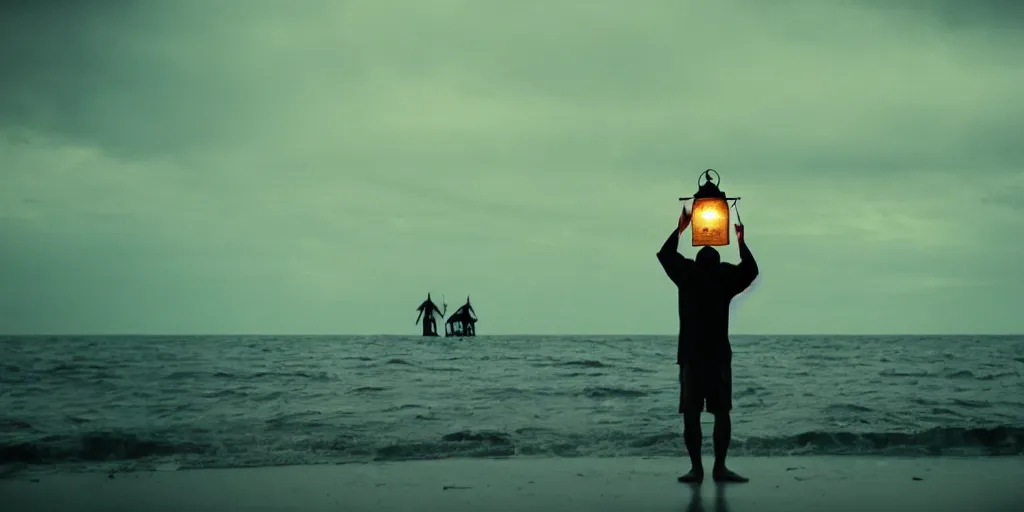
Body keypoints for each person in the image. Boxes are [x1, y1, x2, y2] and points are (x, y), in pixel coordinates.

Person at [657, 204, 759, 484]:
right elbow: (751, 270)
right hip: (716, 356)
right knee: (721, 413)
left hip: (691, 355)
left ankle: (697, 469)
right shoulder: (724, 277)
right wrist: (740, 240)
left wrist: (681, 227)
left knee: (692, 413)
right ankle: (719, 467)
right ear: (716, 262)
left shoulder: (687, 274)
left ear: (698, 260)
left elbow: (665, 255)